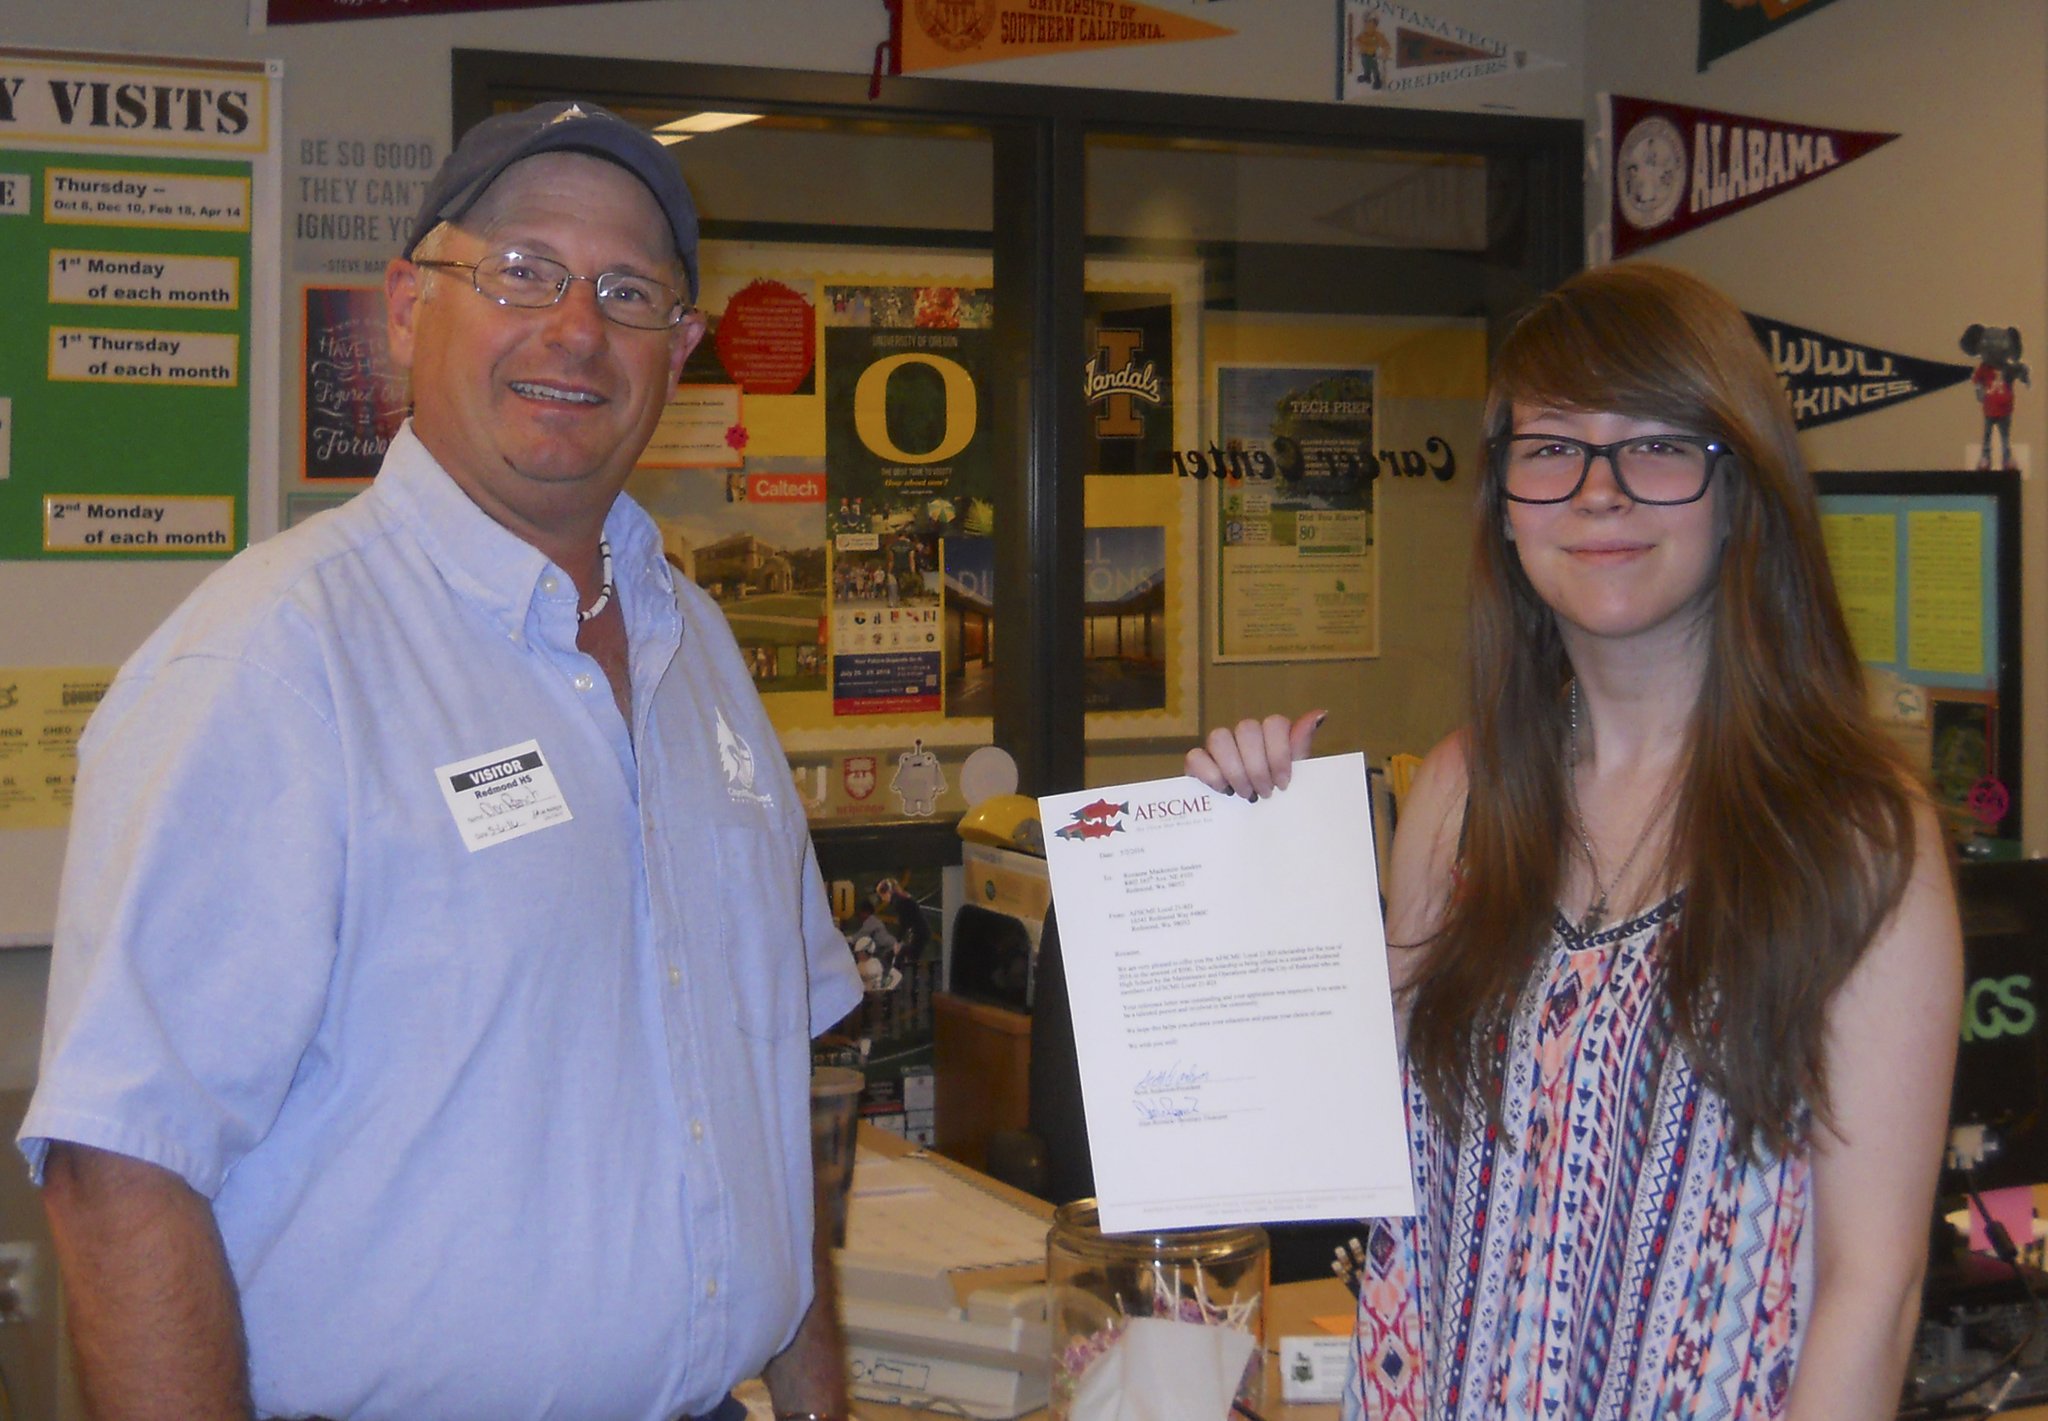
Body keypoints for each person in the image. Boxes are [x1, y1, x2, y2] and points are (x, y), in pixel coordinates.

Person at [19, 101, 863, 1421]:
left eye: (627, 291)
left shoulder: (698, 646)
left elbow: (764, 1096)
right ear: (408, 307)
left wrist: (819, 1404)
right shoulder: (274, 664)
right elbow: (122, 1165)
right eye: (521, 270)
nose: (576, 328)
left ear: (680, 350)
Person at [1188, 263, 1962, 1420]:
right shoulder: (1455, 794)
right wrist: (1249, 859)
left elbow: (1874, 1286)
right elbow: (1344, 1141)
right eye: (1551, 448)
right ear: (1502, 501)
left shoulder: (1850, 835)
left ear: (1736, 484)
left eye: (1655, 444)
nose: (1597, 493)